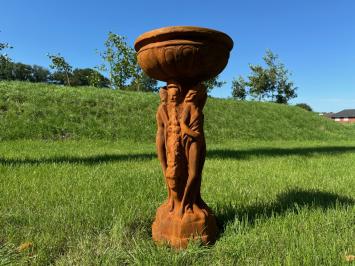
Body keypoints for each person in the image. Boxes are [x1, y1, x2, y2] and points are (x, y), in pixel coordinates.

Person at [178, 83, 207, 218]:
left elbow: (205, 97)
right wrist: (194, 135)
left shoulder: (199, 108)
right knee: (193, 174)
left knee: (198, 174)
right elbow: (182, 125)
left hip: (202, 142)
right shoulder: (188, 106)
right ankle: (184, 203)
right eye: (200, 92)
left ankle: (195, 202)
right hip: (193, 142)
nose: (202, 94)